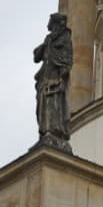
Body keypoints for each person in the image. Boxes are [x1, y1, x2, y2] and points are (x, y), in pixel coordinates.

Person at [34, 13, 73, 151]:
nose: (48, 25)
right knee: (43, 103)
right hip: (46, 76)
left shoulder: (64, 37)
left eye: (50, 22)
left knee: (54, 102)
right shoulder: (49, 39)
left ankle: (55, 130)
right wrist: (44, 47)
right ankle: (45, 130)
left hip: (55, 76)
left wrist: (64, 71)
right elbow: (37, 57)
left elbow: (67, 56)